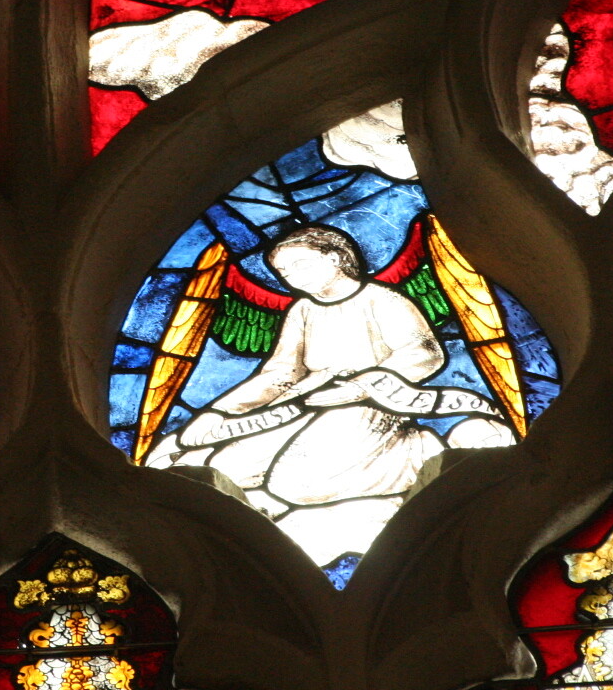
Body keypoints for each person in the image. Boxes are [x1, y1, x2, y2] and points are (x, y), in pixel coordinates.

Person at [153, 224, 454, 565]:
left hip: (370, 403)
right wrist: (219, 412)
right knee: (227, 467)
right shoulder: (303, 310)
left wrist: (359, 388)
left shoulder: (383, 299)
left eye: (301, 265)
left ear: (335, 258)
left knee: (302, 482)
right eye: (283, 272)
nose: (292, 278)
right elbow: (281, 373)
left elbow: (423, 353)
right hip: (303, 401)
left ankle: (411, 450)